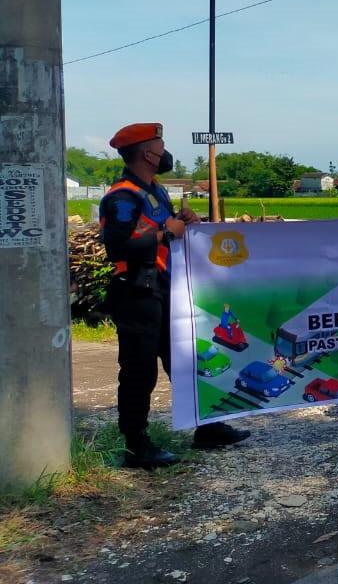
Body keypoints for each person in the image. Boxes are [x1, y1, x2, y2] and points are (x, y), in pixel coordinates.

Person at [100, 123, 250, 469]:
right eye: (160, 144)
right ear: (146, 153)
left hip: (165, 290)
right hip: (137, 293)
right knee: (139, 372)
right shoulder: (121, 197)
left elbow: (162, 231)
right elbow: (117, 247)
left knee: (184, 363)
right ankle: (136, 445)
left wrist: (182, 220)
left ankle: (206, 427)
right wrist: (167, 230)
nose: (165, 150)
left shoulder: (154, 190)